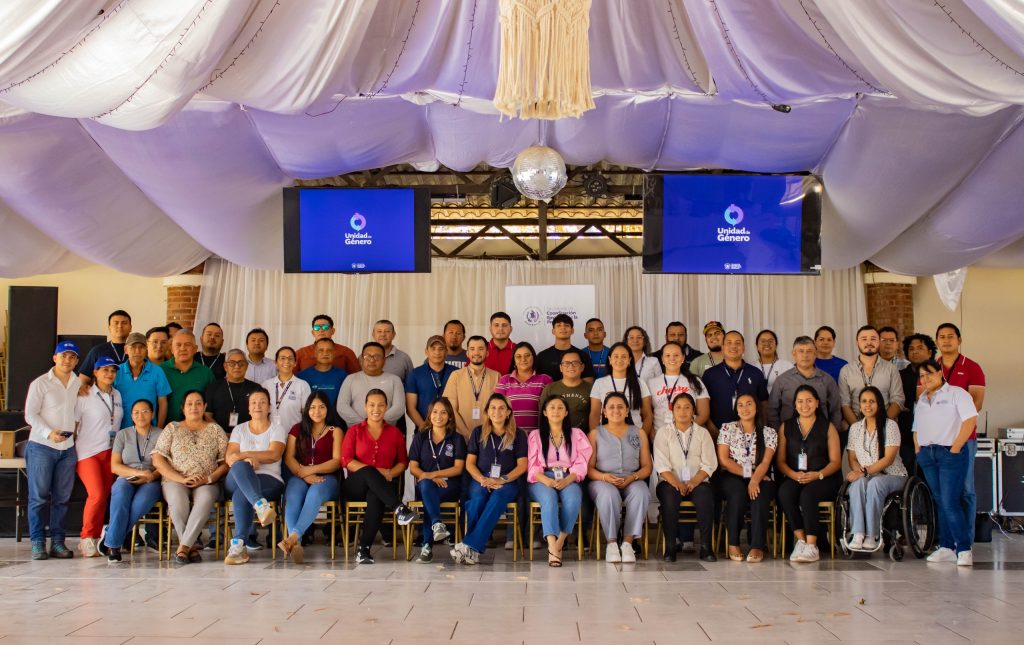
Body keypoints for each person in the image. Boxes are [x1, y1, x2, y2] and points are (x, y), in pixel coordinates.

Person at [151, 390, 228, 564]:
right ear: (183, 408)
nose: (194, 407)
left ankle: (184, 547)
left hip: (207, 481)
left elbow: (226, 463)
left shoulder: (215, 430)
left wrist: (209, 479)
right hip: (175, 479)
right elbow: (157, 459)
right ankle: (189, 547)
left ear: (205, 406)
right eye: (190, 404)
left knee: (205, 499)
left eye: (198, 403)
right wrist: (181, 479)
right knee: (177, 500)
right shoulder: (172, 428)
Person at [914, 359, 978, 566]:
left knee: (950, 502)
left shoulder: (957, 394)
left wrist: (956, 448)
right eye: (922, 376)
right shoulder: (922, 399)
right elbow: (916, 427)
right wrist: (918, 449)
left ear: (940, 372)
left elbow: (970, 420)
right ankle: (946, 547)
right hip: (927, 454)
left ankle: (964, 548)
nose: (925, 379)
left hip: (949, 453)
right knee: (940, 500)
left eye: (929, 374)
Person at [342, 389, 417, 565]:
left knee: (375, 496)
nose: (376, 409)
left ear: (387, 407)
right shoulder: (354, 431)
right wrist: (378, 472)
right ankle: (399, 507)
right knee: (369, 471)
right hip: (355, 486)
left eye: (381, 405)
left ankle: (364, 549)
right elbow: (346, 460)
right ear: (365, 406)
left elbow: (403, 462)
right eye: (372, 405)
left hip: (383, 487)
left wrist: (390, 473)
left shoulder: (395, 433)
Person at [451, 393, 528, 565]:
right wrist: (482, 479)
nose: (497, 412)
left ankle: (469, 545)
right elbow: (470, 463)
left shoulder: (519, 435)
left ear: (508, 412)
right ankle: (473, 550)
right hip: (482, 479)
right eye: (493, 408)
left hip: (508, 481)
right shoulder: (478, 432)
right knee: (476, 500)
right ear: (487, 411)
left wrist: (502, 479)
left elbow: (522, 465)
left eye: (501, 408)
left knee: (497, 498)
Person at [24, 341, 81, 560]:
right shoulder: (40, 383)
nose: (67, 360)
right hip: (42, 447)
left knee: (62, 499)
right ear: (55, 357)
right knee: (38, 498)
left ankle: (58, 542)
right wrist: (49, 433)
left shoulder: (78, 382)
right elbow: (30, 414)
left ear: (76, 360)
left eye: (72, 357)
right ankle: (37, 542)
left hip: (67, 449)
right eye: (63, 355)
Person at [776, 384, 843, 563]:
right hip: (796, 476)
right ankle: (802, 540)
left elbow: (836, 462)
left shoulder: (827, 427)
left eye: (809, 401)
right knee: (785, 492)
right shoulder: (786, 427)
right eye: (800, 401)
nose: (804, 405)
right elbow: (780, 461)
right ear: (794, 404)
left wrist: (818, 474)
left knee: (808, 495)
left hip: (824, 477)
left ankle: (812, 546)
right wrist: (793, 475)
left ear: (817, 403)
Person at [223, 388, 288, 565]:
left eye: (262, 402)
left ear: (269, 407)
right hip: (236, 478)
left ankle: (238, 546)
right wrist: (245, 460)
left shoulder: (277, 429)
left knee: (241, 494)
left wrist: (245, 454)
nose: (257, 406)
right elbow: (230, 458)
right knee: (240, 466)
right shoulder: (239, 429)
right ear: (248, 408)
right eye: (253, 402)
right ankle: (260, 504)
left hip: (269, 478)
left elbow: (274, 454)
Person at [587, 392, 652, 563]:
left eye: (620, 407)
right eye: (611, 407)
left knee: (641, 493)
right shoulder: (595, 434)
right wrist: (604, 477)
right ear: (604, 412)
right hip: (602, 480)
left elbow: (647, 467)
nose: (616, 410)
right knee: (609, 494)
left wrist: (633, 477)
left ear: (627, 411)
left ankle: (628, 543)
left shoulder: (639, 433)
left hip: (632, 479)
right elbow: (588, 469)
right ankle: (612, 543)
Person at [527, 396, 592, 566]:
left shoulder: (577, 434)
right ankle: (551, 545)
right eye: (552, 407)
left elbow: (582, 461)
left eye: (560, 407)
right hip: (541, 478)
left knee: (574, 499)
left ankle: (560, 542)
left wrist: (569, 478)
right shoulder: (535, 435)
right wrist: (546, 481)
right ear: (544, 412)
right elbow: (532, 465)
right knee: (548, 499)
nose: (556, 411)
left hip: (569, 477)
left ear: (566, 412)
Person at [280, 391, 343, 563]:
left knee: (314, 493)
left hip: (327, 478)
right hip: (300, 476)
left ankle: (293, 537)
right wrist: (304, 474)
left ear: (328, 409)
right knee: (293, 494)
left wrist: (310, 470)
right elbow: (289, 457)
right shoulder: (297, 429)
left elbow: (337, 461)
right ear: (307, 409)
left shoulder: (335, 431)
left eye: (321, 407)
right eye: (313, 407)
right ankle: (296, 544)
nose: (317, 411)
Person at [654, 393, 717, 562]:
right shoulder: (663, 433)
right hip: (669, 482)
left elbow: (709, 463)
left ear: (693, 410)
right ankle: (670, 547)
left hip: (698, 482)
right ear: (672, 411)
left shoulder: (702, 433)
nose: (682, 411)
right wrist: (677, 483)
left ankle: (706, 547)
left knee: (705, 496)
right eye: (678, 407)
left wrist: (694, 481)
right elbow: (661, 465)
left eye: (687, 407)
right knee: (669, 496)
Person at [936, 322, 986, 535]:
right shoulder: (931, 367)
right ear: (937, 341)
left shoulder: (972, 367)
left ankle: (966, 540)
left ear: (959, 340)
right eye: (942, 337)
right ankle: (945, 539)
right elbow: (923, 402)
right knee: (941, 490)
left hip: (964, 437)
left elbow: (976, 404)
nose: (946, 340)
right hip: (937, 438)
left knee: (965, 488)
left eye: (951, 336)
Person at [845, 386, 908, 551]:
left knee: (875, 483)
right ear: (859, 405)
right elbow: (852, 458)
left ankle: (871, 535)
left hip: (894, 476)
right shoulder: (855, 428)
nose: (867, 405)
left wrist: (864, 472)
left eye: (872, 401)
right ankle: (858, 533)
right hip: (867, 476)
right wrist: (859, 473)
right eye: (864, 401)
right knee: (857, 485)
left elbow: (888, 459)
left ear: (879, 404)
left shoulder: (890, 425)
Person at [716, 393, 777, 563]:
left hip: (760, 475)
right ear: (736, 409)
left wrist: (755, 480)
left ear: (757, 407)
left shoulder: (769, 432)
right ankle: (733, 543)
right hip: (733, 474)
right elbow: (724, 460)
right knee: (737, 494)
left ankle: (757, 546)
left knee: (759, 496)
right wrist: (749, 476)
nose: (745, 408)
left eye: (749, 404)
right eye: (740, 405)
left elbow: (765, 462)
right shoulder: (728, 428)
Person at [103, 399, 163, 563]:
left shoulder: (161, 434)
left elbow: (166, 464)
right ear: (131, 416)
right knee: (120, 493)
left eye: (145, 411)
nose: (140, 415)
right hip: (126, 476)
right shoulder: (123, 434)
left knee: (139, 505)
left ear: (152, 414)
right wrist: (138, 472)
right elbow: (115, 466)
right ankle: (115, 544)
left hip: (151, 480)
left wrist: (152, 475)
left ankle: (111, 539)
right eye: (136, 412)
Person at [74, 356, 123, 557]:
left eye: (113, 370)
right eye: (105, 370)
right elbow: (75, 424)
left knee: (104, 496)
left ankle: (95, 537)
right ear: (95, 372)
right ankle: (86, 537)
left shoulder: (117, 395)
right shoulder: (84, 395)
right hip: (88, 452)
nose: (109, 374)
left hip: (110, 452)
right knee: (96, 494)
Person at [409, 398, 467, 563]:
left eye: (443, 413)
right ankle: (437, 524)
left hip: (449, 484)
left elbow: (458, 468)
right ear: (429, 415)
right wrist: (429, 477)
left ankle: (427, 546)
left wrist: (433, 474)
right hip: (426, 484)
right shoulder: (420, 437)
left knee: (429, 496)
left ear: (449, 416)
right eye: (435, 412)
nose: (438, 416)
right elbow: (413, 468)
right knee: (427, 489)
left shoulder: (457, 439)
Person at [838, 325, 904, 447]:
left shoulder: (891, 369)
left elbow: (898, 400)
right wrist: (859, 428)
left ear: (879, 341)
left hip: (886, 430)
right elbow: (844, 404)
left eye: (873, 339)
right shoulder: (846, 371)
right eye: (864, 339)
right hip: (856, 431)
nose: (869, 342)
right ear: (857, 342)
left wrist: (881, 425)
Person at [768, 336, 843, 432]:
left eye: (809, 351)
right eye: (801, 351)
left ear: (815, 354)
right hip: (789, 435)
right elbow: (772, 411)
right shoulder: (782, 380)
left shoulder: (827, 380)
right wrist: (780, 434)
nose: (805, 355)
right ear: (794, 354)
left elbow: (835, 410)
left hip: (821, 435)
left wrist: (832, 434)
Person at [702, 331, 768, 438]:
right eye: (729, 342)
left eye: (738, 343)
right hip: (717, 434)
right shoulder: (710, 374)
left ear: (744, 348)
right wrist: (713, 431)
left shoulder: (756, 373)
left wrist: (761, 429)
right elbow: (703, 406)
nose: (733, 346)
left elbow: (763, 404)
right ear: (723, 347)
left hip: (751, 436)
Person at [337, 342, 406, 429]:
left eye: (377, 356)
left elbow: (399, 407)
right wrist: (363, 425)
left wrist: (377, 423)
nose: (372, 360)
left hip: (385, 431)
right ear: (361, 359)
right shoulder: (350, 379)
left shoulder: (395, 380)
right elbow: (342, 406)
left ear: (384, 360)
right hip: (357, 431)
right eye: (367, 356)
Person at [442, 336, 500, 439]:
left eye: (481, 349)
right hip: (461, 437)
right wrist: (467, 434)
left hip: (489, 436)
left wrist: (487, 433)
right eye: (472, 349)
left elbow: (499, 408)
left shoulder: (496, 376)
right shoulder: (456, 375)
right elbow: (451, 409)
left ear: (487, 353)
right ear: (467, 353)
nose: (476, 353)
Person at [589, 342, 653, 434]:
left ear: (629, 360)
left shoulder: (640, 383)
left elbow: (648, 415)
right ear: (610, 360)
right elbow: (594, 415)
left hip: (634, 435)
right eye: (616, 356)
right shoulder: (599, 383)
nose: (619, 360)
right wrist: (596, 437)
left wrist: (641, 438)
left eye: (624, 357)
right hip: (607, 436)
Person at [648, 341, 709, 434]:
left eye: (676, 355)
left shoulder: (694, 381)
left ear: (683, 358)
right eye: (667, 355)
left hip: (689, 435)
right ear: (662, 359)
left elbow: (704, 414)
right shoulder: (652, 383)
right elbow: (647, 414)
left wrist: (686, 433)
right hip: (661, 436)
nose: (672, 358)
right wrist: (654, 434)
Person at [897, 333, 937, 473]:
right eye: (911, 349)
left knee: (929, 473)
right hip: (905, 434)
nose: (915, 351)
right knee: (907, 472)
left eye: (920, 348)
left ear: (930, 352)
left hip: (932, 435)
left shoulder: (937, 375)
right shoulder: (899, 375)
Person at [115, 331, 171, 428]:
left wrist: (159, 430)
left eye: (141, 347)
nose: (137, 351)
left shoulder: (157, 371)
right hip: (121, 430)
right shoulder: (116, 371)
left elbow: (163, 403)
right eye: (133, 347)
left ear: (146, 349)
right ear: (126, 350)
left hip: (149, 430)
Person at [494, 342, 553, 434]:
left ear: (533, 357)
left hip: (537, 437)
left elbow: (552, 410)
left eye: (527, 355)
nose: (523, 359)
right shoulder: (504, 380)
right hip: (510, 436)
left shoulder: (545, 380)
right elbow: (496, 408)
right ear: (514, 360)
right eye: (518, 356)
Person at [160, 330, 215, 423]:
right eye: (178, 345)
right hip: (166, 428)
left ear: (195, 349)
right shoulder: (160, 370)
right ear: (171, 349)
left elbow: (211, 406)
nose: (183, 348)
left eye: (187, 344)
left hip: (197, 428)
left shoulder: (206, 373)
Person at [405, 335, 458, 430]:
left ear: (446, 352)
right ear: (426, 351)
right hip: (423, 430)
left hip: (452, 430)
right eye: (433, 349)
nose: (437, 352)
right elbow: (410, 408)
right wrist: (424, 428)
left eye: (441, 349)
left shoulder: (456, 373)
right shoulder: (415, 374)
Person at [205, 349, 262, 433]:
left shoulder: (256, 389)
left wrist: (242, 436)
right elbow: (207, 416)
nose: (237, 366)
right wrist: (222, 434)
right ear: (225, 366)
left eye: (241, 363)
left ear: (247, 366)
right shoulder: (213, 387)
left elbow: (261, 416)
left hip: (248, 436)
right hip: (217, 436)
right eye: (232, 363)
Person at [538, 349, 593, 431]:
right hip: (554, 437)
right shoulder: (549, 389)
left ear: (582, 367)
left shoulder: (591, 389)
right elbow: (542, 416)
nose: (571, 366)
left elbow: (595, 416)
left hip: (583, 437)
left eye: (575, 363)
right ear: (561, 367)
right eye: (566, 363)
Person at [262, 346, 311, 437]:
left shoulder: (303, 385)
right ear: (276, 363)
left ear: (295, 363)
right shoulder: (266, 385)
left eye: (290, 358)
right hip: (270, 436)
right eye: (282, 358)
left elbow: (307, 414)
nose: (287, 361)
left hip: (294, 436)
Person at [78, 310, 132, 389]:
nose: (120, 326)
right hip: (105, 395)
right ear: (109, 328)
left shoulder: (138, 351)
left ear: (130, 327)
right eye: (116, 323)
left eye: (124, 323)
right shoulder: (97, 351)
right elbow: (83, 380)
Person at [535, 314, 596, 381]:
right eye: (559, 325)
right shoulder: (542, 357)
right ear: (553, 331)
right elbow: (538, 383)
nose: (563, 328)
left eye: (567, 325)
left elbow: (587, 384)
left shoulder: (583, 356)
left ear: (572, 330)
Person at [295, 315, 361, 373]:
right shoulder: (301, 353)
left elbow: (356, 377)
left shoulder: (346, 352)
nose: (321, 330)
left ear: (333, 331)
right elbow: (292, 377)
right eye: (317, 328)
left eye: (325, 327)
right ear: (313, 332)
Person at [296, 338, 349, 409]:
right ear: (315, 353)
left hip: (334, 416)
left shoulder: (343, 376)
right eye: (321, 350)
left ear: (334, 353)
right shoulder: (301, 376)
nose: (325, 353)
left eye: (329, 350)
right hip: (310, 415)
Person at [754, 329, 794, 395]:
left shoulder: (787, 366)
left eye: (770, 341)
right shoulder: (751, 367)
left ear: (776, 345)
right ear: (757, 346)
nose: (767, 344)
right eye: (763, 341)